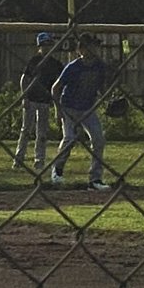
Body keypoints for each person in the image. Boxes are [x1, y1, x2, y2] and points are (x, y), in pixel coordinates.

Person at [51, 33, 111, 191]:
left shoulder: (99, 66)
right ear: (81, 50)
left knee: (99, 139)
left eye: (94, 46)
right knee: (70, 138)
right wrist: (58, 110)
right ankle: (57, 170)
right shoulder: (73, 67)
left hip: (87, 108)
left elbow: (101, 87)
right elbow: (55, 88)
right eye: (89, 46)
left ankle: (95, 179)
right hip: (69, 107)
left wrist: (107, 99)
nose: (93, 49)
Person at [14, 32, 64, 171]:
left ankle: (39, 160)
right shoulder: (34, 61)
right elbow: (24, 79)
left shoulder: (55, 64)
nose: (47, 48)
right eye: (44, 45)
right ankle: (19, 158)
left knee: (42, 132)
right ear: (39, 46)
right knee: (26, 130)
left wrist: (55, 102)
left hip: (45, 100)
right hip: (31, 98)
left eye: (49, 45)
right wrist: (24, 97)